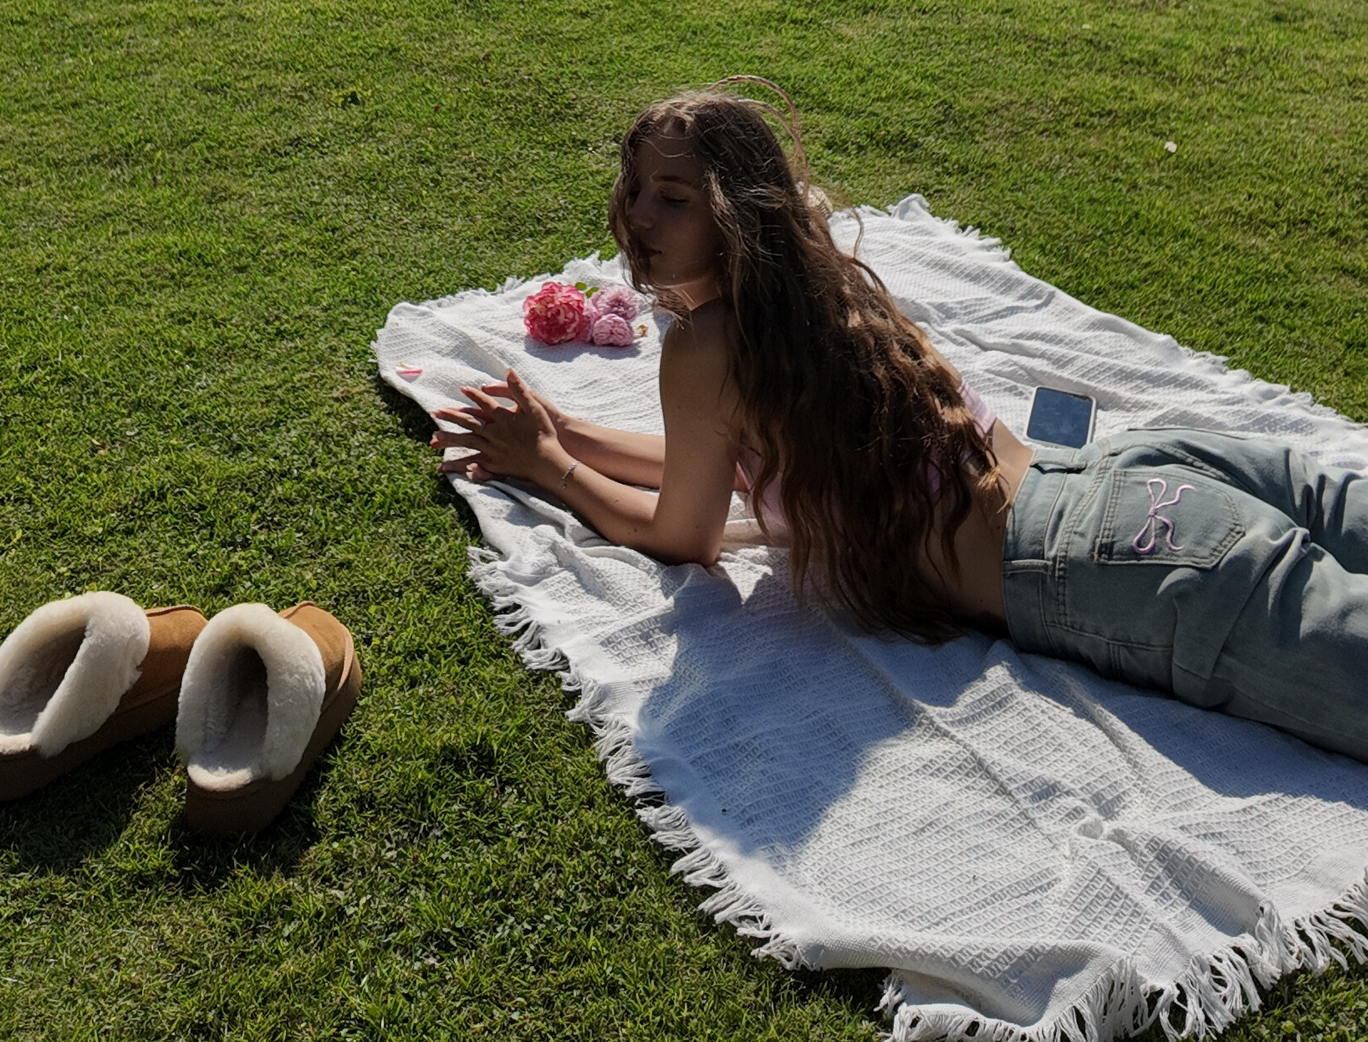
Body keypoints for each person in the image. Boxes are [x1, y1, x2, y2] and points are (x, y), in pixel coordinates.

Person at [433, 87, 1368, 764]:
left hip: (1098, 558)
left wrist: (552, 466)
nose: (637, 214)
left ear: (731, 211)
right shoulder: (810, 293)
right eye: (634, 187)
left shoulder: (707, 344)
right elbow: (709, 472)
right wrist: (567, 431)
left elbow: (682, 533)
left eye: (671, 196)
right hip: (1116, 480)